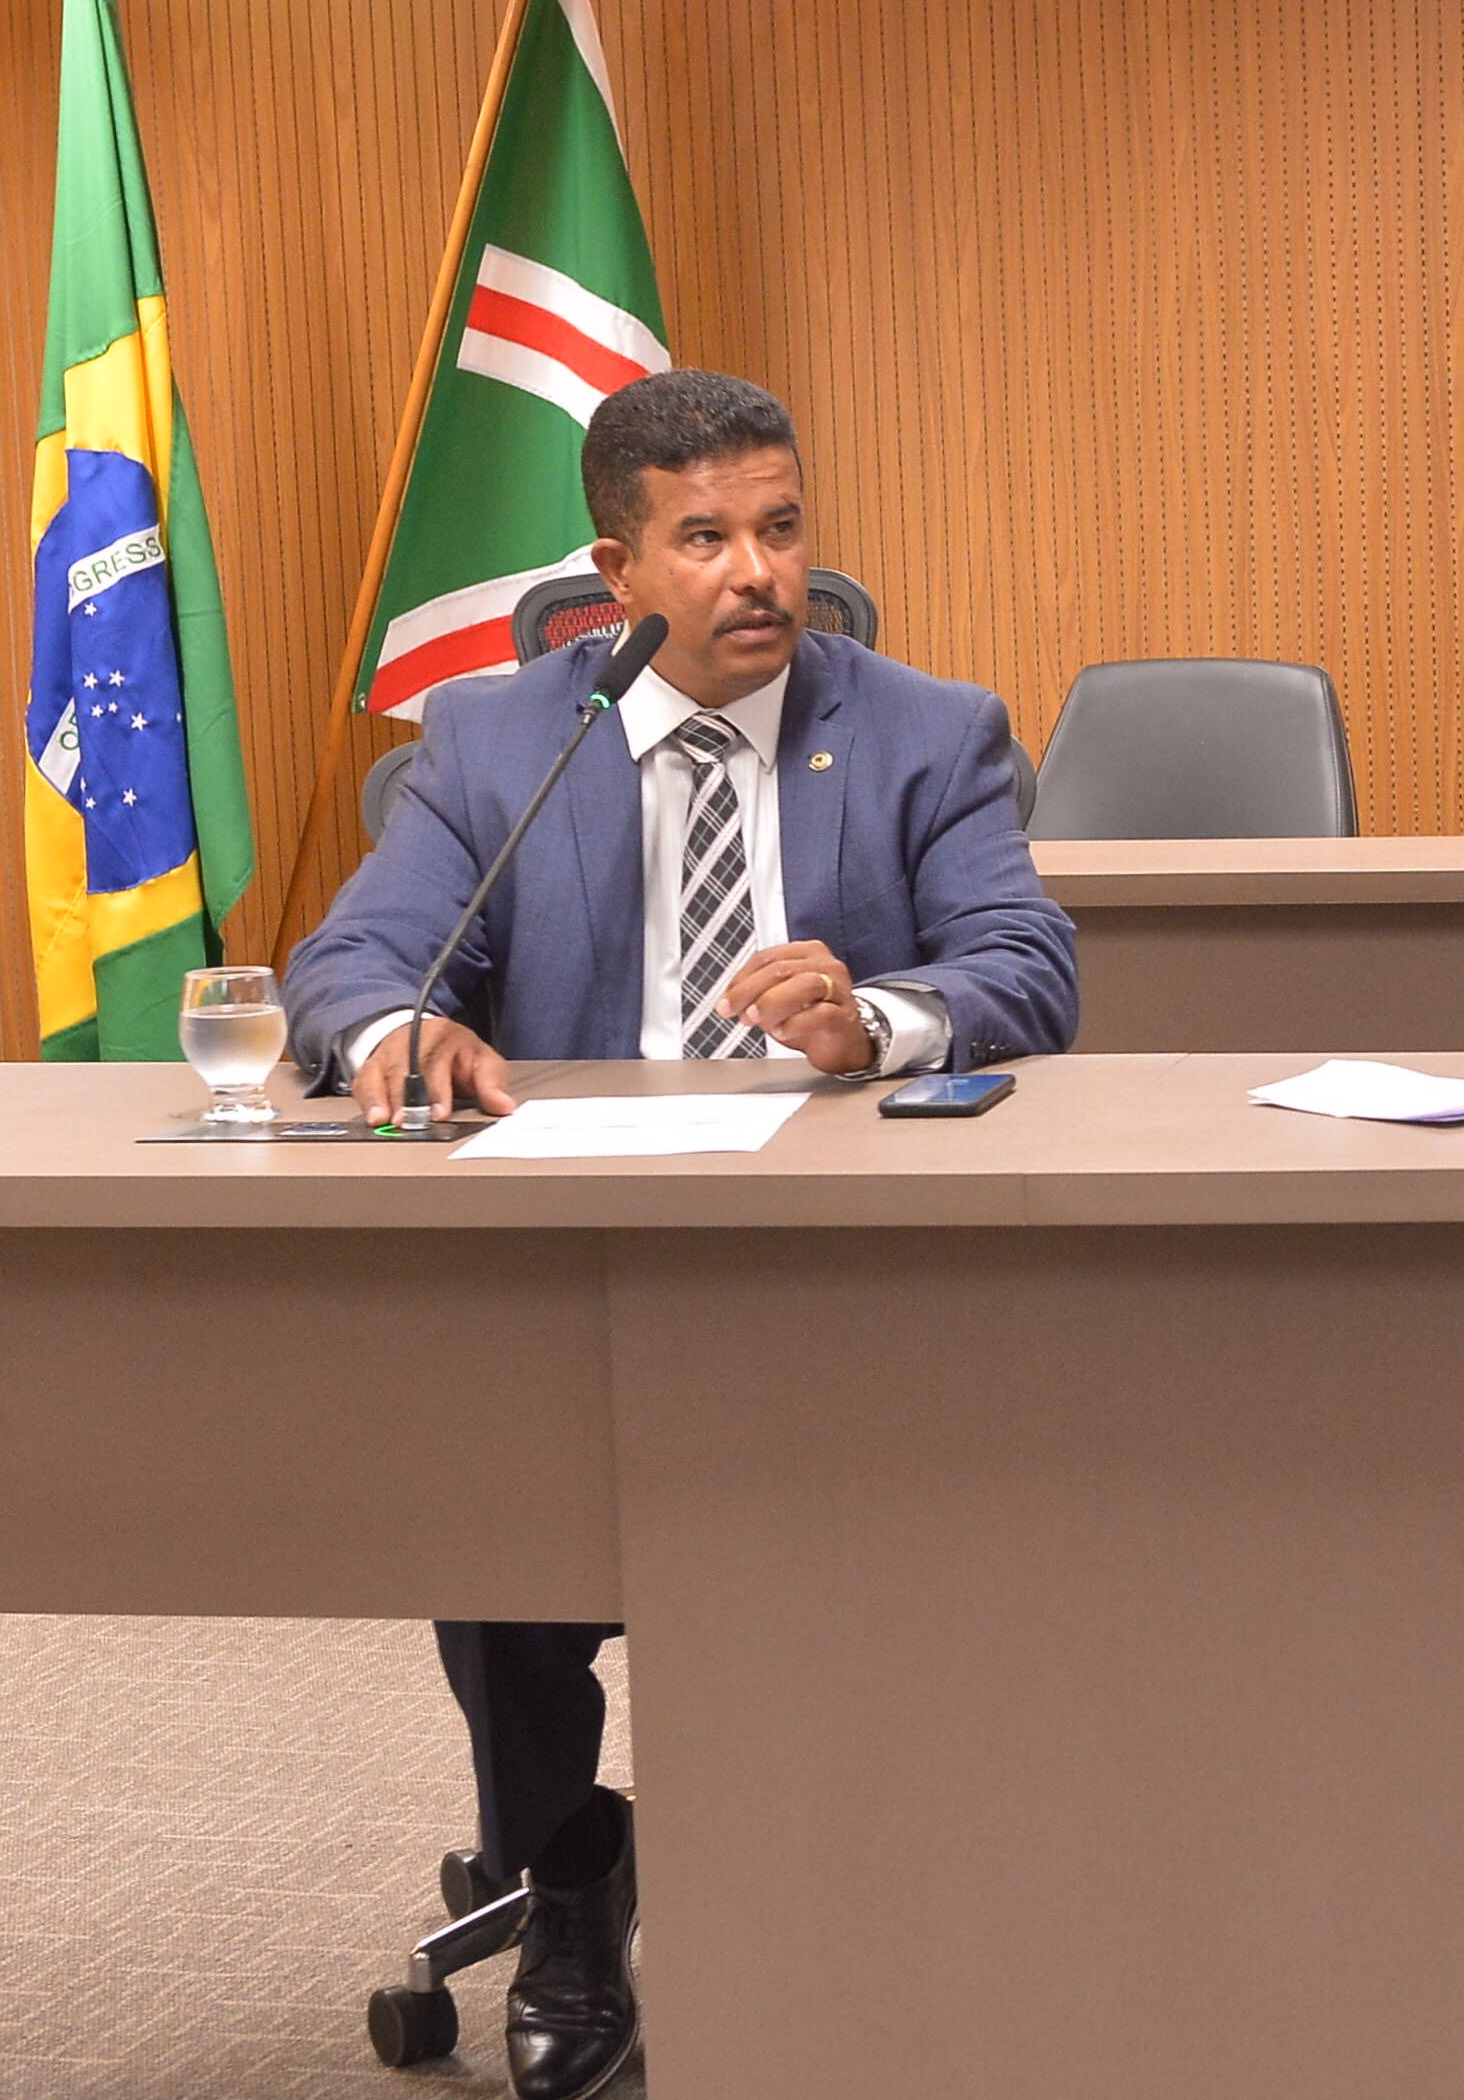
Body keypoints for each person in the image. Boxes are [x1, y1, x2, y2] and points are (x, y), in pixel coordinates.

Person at [288, 368, 1079, 2100]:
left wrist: (878, 1014)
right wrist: (399, 1029)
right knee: (497, 1518)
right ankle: (570, 1875)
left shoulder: (928, 730)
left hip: (844, 1265)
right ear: (618, 569)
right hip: (575, 1256)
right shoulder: (498, 739)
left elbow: (1028, 968)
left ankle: (881, 1874)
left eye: (781, 529)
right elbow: (352, 963)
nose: (758, 574)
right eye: (706, 538)